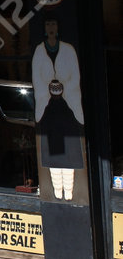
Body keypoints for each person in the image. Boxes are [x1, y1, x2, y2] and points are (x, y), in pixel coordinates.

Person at [32, 16, 84, 201]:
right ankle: (57, 189)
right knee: (53, 149)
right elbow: (36, 77)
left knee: (69, 148)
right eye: (48, 24)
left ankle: (69, 190)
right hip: (48, 108)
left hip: (67, 106)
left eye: (53, 24)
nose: (51, 27)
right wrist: (47, 89)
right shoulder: (39, 51)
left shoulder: (68, 49)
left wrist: (64, 87)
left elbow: (75, 75)